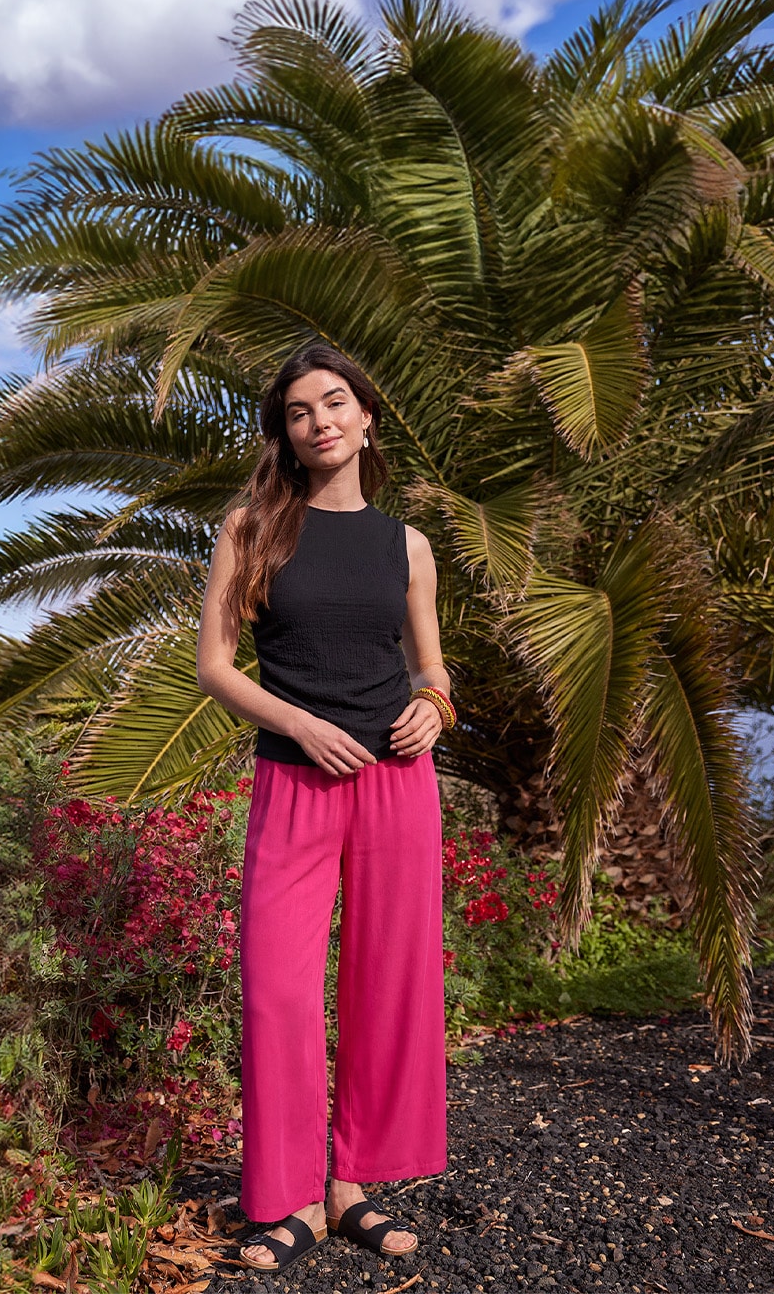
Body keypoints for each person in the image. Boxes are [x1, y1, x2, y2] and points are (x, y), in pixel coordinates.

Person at [195, 341, 457, 1274]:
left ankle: (351, 1189)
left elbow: (429, 663)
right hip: (296, 778)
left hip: (395, 780)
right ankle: (291, 1195)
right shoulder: (252, 529)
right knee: (277, 987)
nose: (321, 420)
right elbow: (216, 667)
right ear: (288, 434)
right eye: (301, 411)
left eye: (335, 401)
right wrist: (302, 726)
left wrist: (434, 704)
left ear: (366, 416)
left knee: (389, 981)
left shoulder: (407, 545)